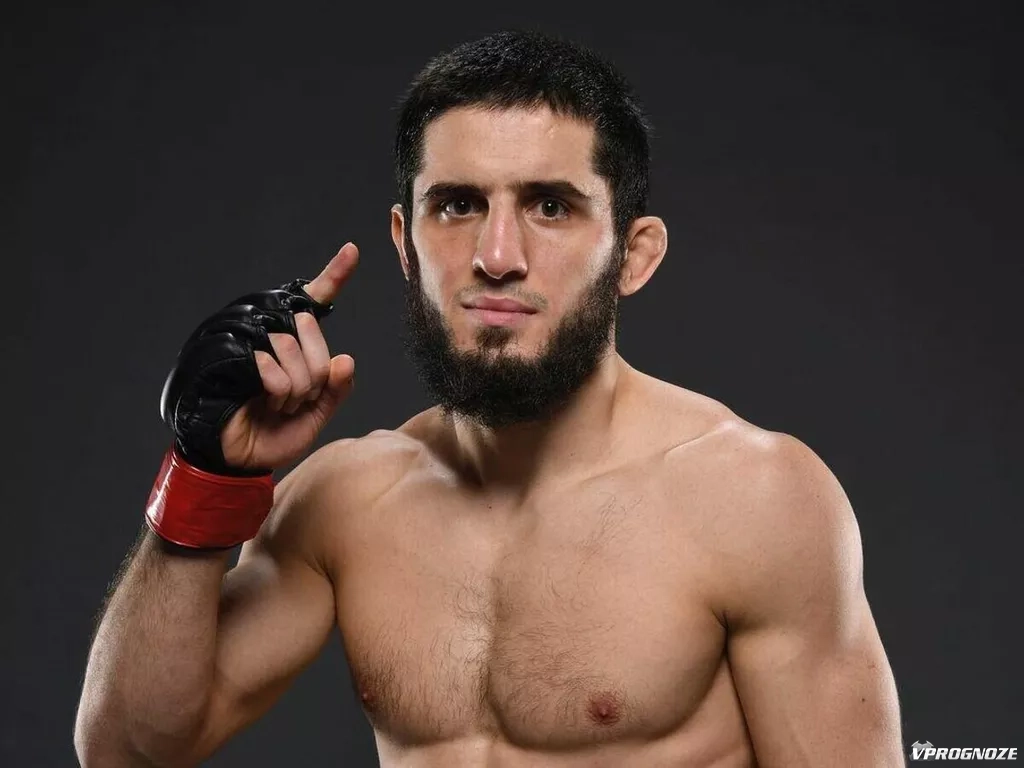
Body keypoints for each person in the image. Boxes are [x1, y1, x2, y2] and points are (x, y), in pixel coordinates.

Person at [74, 29, 905, 767]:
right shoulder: (347, 500)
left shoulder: (753, 499)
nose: (497, 255)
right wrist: (205, 473)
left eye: (550, 206)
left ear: (634, 255)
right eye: (457, 205)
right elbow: (128, 749)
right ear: (406, 243)